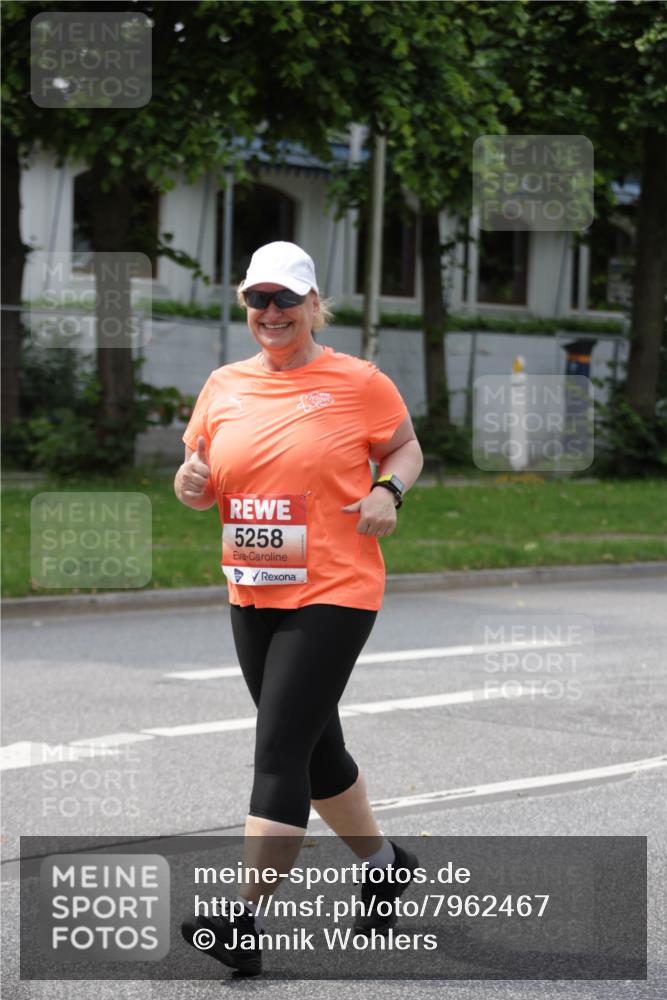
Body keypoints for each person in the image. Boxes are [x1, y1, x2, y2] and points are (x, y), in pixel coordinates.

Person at [175, 241, 424, 976]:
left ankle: (243, 919)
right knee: (315, 751)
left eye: (286, 298)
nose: (272, 311)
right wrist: (189, 483)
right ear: (246, 305)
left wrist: (388, 491)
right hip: (253, 587)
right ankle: (384, 864)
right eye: (258, 299)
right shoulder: (223, 385)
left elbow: (405, 448)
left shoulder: (359, 381)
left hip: (334, 589)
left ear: (314, 305)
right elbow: (199, 477)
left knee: (279, 750)